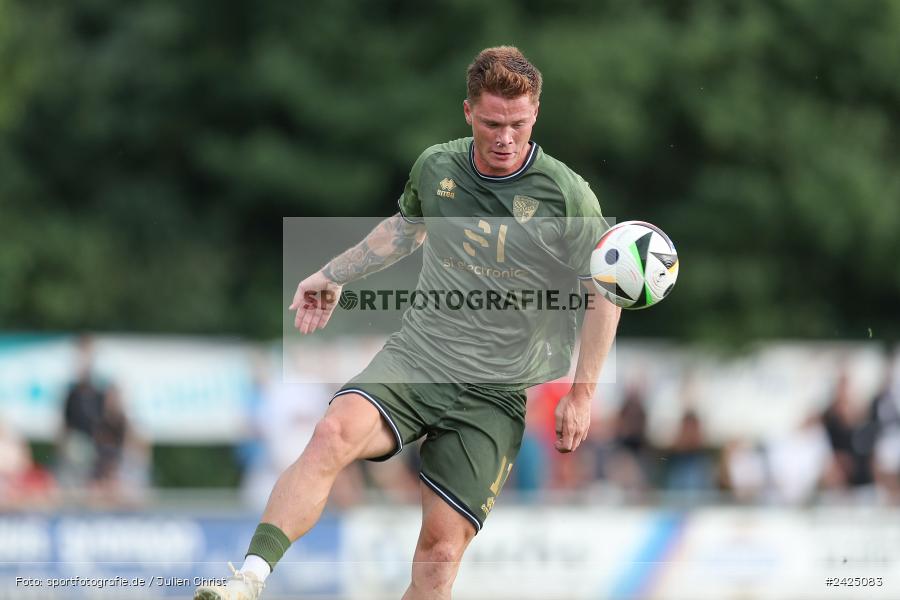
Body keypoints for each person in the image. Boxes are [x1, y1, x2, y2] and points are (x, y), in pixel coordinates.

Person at [195, 46, 620, 600]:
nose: (505, 138)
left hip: (496, 393)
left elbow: (604, 290)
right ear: (468, 112)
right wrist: (334, 273)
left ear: (535, 114)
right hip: (420, 357)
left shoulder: (566, 194)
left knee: (439, 555)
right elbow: (403, 230)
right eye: (492, 123)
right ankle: (248, 580)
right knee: (331, 433)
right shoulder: (437, 166)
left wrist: (582, 394)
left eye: (517, 124)